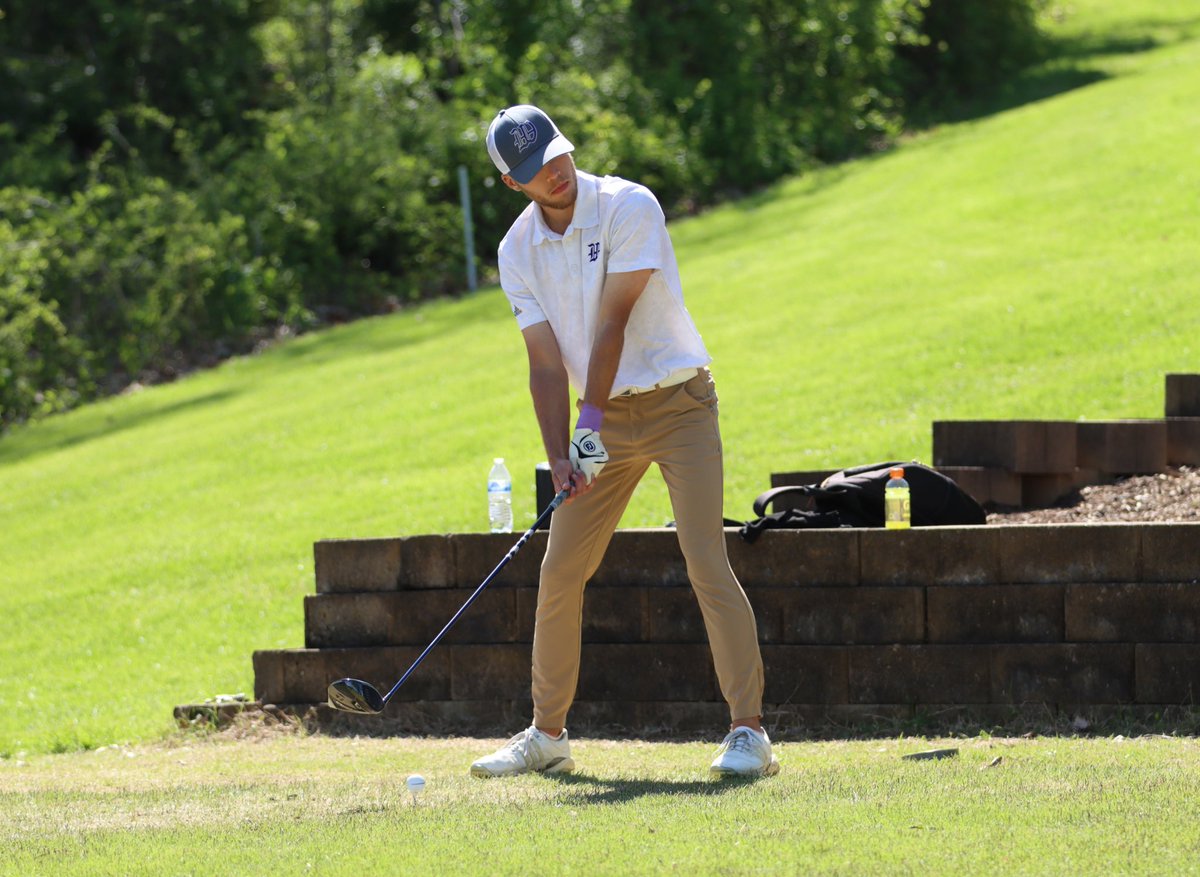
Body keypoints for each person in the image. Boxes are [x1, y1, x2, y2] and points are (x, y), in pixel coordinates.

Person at [470, 104, 778, 779]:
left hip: (677, 404)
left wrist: (585, 430)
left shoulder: (628, 205)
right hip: (598, 420)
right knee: (560, 568)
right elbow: (545, 363)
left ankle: (749, 732)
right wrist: (559, 458)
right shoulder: (516, 250)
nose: (553, 173)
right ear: (511, 184)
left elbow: (611, 327)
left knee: (704, 556)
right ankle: (547, 733)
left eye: (554, 155)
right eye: (533, 170)